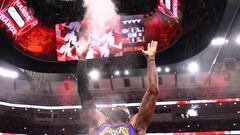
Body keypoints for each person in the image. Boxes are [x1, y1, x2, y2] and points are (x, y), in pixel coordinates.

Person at [76, 39, 159, 135]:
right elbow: (83, 91)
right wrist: (81, 59)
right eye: (122, 105)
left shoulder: (135, 125)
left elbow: (153, 90)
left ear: (129, 118)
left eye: (124, 106)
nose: (120, 105)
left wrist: (151, 59)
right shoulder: (98, 124)